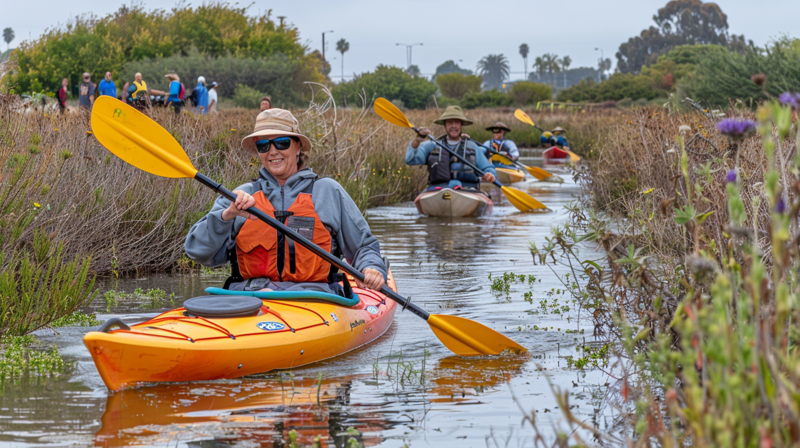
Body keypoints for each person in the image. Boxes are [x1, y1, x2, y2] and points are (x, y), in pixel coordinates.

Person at [185, 108, 387, 295]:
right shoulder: (239, 197)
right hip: (250, 299)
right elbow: (198, 252)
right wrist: (226, 216)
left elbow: (363, 247)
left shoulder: (328, 191)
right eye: (263, 145)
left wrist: (372, 268)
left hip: (314, 300)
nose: (272, 151)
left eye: (281, 142)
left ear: (298, 147)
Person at [405, 106, 496, 190]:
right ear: (445, 125)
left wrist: (490, 174)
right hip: (438, 190)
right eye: (450, 122)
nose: (454, 126)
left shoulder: (472, 147)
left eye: (457, 122)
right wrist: (417, 140)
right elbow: (410, 159)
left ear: (461, 125)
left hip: (468, 191)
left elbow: (488, 168)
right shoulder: (431, 146)